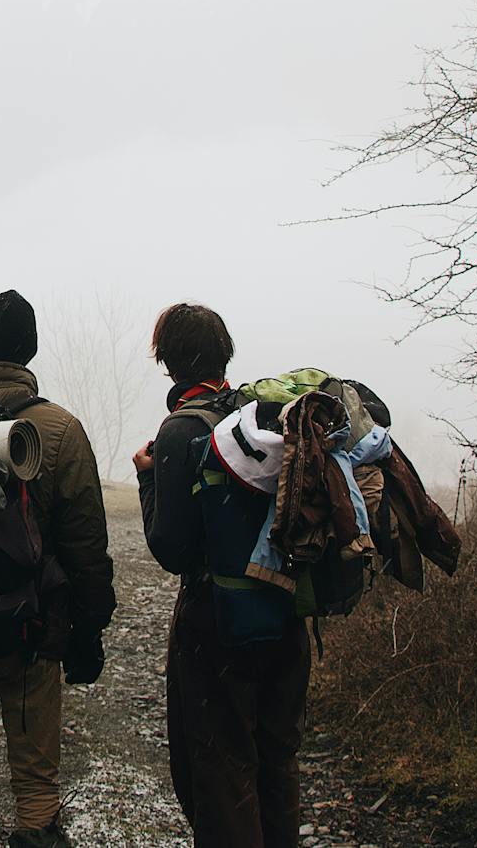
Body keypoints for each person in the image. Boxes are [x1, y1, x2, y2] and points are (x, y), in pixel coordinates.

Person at [0, 290, 116, 848]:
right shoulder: (59, 430)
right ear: (31, 351)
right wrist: (89, 628)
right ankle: (36, 834)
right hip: (28, 628)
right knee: (35, 772)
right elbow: (86, 544)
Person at [132, 303, 307, 848]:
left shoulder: (181, 429)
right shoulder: (260, 415)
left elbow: (172, 549)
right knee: (276, 763)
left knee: (219, 773)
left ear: (169, 363)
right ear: (223, 354)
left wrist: (147, 479)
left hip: (216, 625)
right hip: (285, 612)